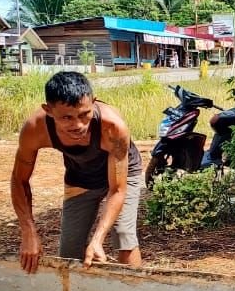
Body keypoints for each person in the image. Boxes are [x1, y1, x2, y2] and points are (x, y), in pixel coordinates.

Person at [11, 71, 144, 274]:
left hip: (122, 174)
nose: (78, 125)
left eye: (84, 114)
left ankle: (135, 290)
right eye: (67, 118)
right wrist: (28, 232)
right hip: (81, 175)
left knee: (123, 236)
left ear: (93, 102)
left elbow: (117, 190)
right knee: (69, 253)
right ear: (48, 110)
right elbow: (19, 180)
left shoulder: (113, 128)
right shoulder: (36, 128)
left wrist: (97, 240)